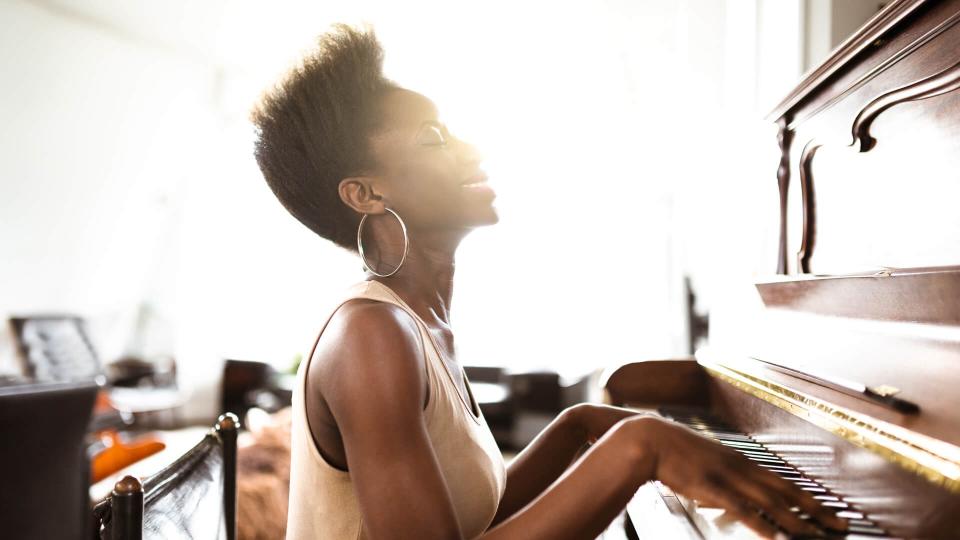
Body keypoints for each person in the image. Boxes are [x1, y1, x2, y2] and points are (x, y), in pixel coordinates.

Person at [251, 25, 846, 540]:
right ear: (367, 193)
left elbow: (464, 517)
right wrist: (642, 448)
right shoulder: (370, 335)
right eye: (433, 138)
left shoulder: (418, 322)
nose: (471, 149)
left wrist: (578, 428)